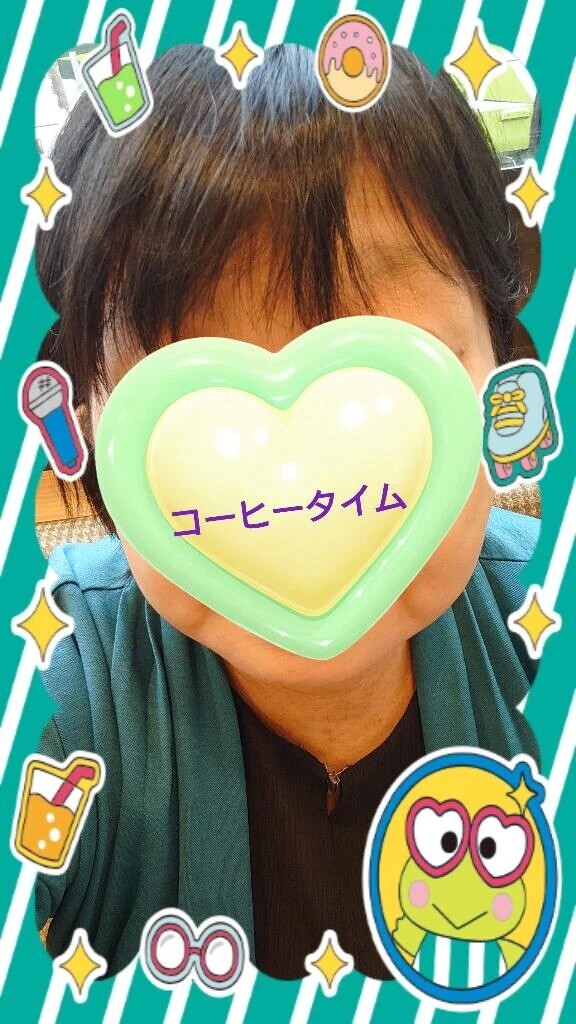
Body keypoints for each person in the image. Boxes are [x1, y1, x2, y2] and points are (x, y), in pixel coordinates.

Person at [35, 42, 539, 980]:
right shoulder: (61, 682)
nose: (295, 491)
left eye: (383, 375)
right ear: (90, 422)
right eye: (189, 402)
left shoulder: (540, 624)